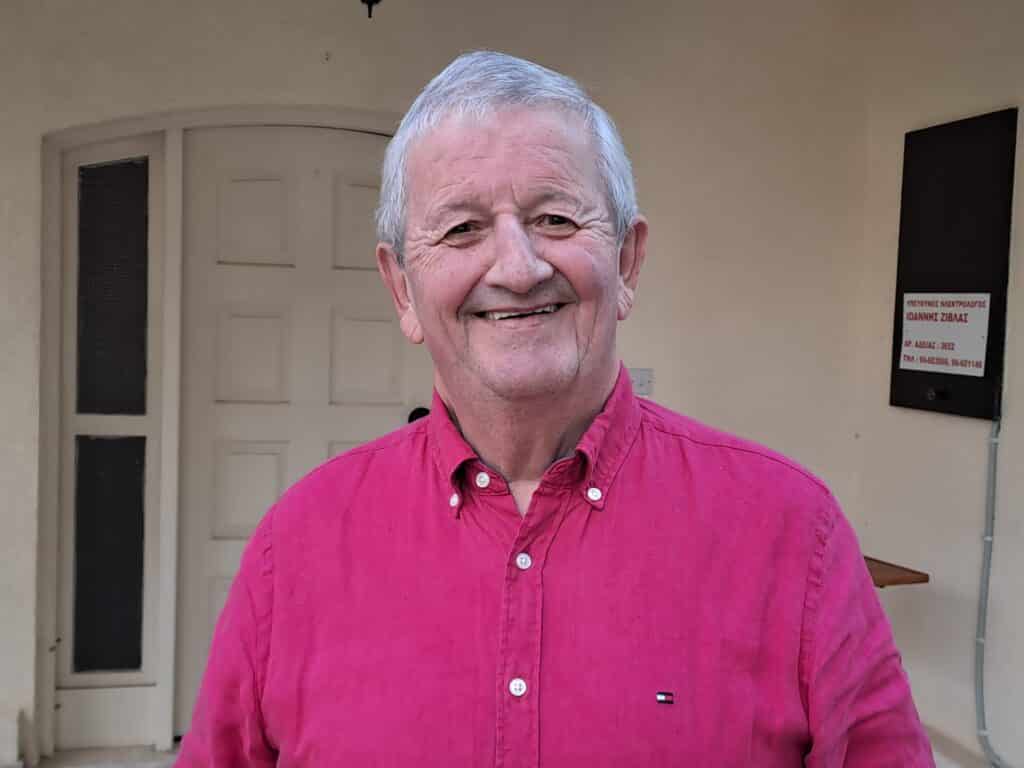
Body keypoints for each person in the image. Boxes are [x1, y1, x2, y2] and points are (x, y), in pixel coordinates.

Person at [176, 51, 934, 766]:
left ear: (628, 261)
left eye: (557, 219)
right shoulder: (298, 546)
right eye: (463, 228)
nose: (517, 266)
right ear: (402, 287)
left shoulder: (792, 534)